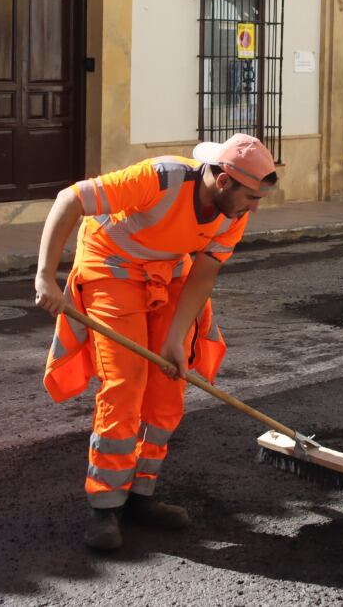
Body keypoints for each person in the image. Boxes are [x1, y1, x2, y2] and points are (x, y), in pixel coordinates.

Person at [34, 134, 278, 551]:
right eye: (251, 197)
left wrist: (176, 337)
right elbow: (70, 199)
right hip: (111, 266)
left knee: (169, 384)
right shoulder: (159, 178)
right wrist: (44, 275)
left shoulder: (233, 213)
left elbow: (202, 275)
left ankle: (140, 495)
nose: (254, 207)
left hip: (168, 272)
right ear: (223, 183)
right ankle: (105, 504)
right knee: (125, 383)